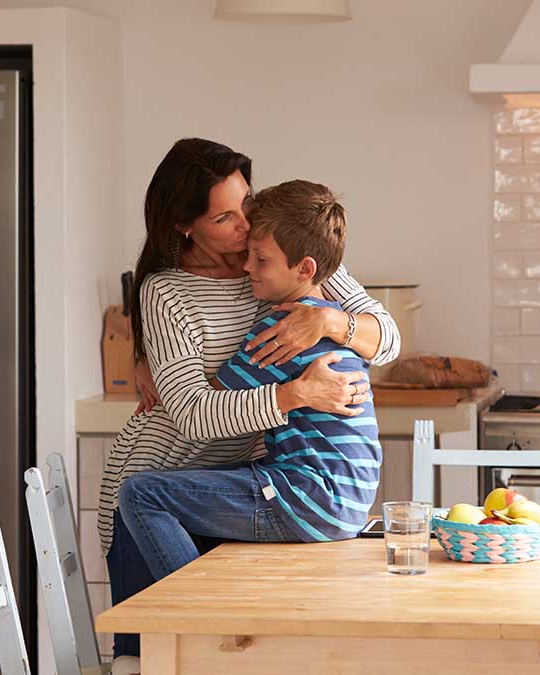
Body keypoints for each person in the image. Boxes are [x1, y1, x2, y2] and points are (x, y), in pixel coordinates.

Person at [100, 138, 399, 673]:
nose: (245, 227)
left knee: (219, 652)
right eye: (224, 218)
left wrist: (332, 323)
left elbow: (390, 339)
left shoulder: (284, 254)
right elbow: (193, 416)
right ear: (183, 226)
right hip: (166, 474)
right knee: (152, 659)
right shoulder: (168, 292)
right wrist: (294, 395)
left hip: (241, 479)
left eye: (247, 204)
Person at [117, 179, 380, 581]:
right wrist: (149, 356)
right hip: (344, 499)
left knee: (141, 494)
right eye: (225, 217)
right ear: (184, 225)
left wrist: (165, 370)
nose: (246, 266)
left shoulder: (283, 330)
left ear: (306, 269)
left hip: (306, 496)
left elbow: (210, 402)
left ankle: (193, 617)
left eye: (259, 259)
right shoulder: (318, 307)